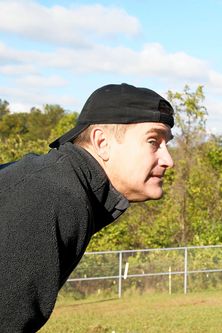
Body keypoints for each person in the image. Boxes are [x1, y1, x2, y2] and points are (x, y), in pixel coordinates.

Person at [0, 83, 175, 332]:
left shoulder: (64, 184)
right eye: (153, 141)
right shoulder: (56, 195)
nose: (169, 160)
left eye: (167, 143)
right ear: (102, 143)